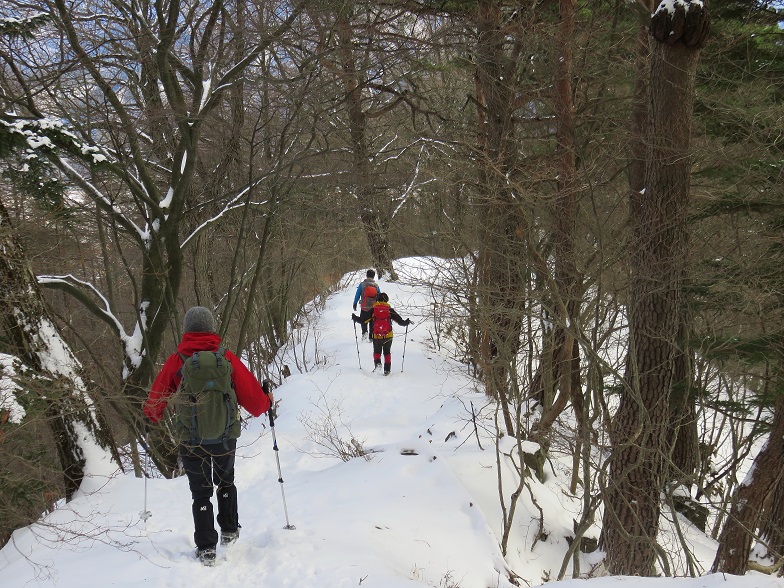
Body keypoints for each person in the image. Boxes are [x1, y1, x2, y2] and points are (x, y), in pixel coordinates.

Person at [143, 306, 272, 566]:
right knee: (226, 481)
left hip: (191, 439)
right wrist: (266, 403)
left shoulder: (177, 360)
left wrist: (150, 415)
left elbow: (156, 400)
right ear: (212, 328)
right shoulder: (226, 358)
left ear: (187, 330)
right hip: (225, 437)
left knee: (200, 492)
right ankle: (230, 530)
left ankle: (206, 548)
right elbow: (254, 402)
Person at [352, 292, 411, 375]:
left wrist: (355, 318)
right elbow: (401, 322)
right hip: (388, 335)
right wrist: (407, 322)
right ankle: (387, 370)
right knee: (387, 352)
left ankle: (377, 364)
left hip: (377, 335)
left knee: (377, 352)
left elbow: (363, 321)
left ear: (377, 299)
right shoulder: (389, 310)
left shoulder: (374, 309)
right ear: (386, 301)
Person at [352, 269, 380, 340]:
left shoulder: (362, 284)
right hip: (373, 307)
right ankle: (371, 336)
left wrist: (355, 303)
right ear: (374, 276)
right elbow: (379, 296)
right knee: (372, 321)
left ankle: (364, 333)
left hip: (364, 306)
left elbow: (357, 294)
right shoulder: (376, 286)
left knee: (363, 320)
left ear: (366, 275)